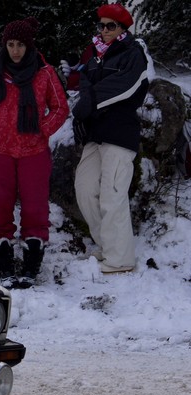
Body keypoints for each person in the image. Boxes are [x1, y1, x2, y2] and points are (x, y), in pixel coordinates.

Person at [0, 17, 69, 288]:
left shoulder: (44, 73)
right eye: (11, 44)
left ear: (29, 46)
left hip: (33, 151)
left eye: (20, 45)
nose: (15, 50)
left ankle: (31, 261)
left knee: (35, 206)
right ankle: (3, 259)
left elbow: (60, 108)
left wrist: (43, 128)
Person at [67, 3, 150, 274]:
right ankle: (107, 247)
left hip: (119, 134)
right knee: (84, 188)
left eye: (111, 26)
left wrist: (88, 102)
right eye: (102, 25)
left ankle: (120, 259)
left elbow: (126, 87)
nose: (105, 30)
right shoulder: (95, 55)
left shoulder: (133, 54)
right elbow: (84, 84)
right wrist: (81, 118)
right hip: (96, 135)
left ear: (123, 29)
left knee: (112, 194)